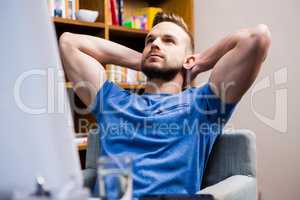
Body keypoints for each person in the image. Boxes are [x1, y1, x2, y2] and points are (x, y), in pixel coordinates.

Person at [59, 12, 271, 199]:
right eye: (150, 40)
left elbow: (257, 38)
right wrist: (142, 59)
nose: (155, 44)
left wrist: (201, 60)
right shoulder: (113, 100)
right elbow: (68, 43)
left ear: (187, 58)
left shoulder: (204, 104)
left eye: (169, 41)